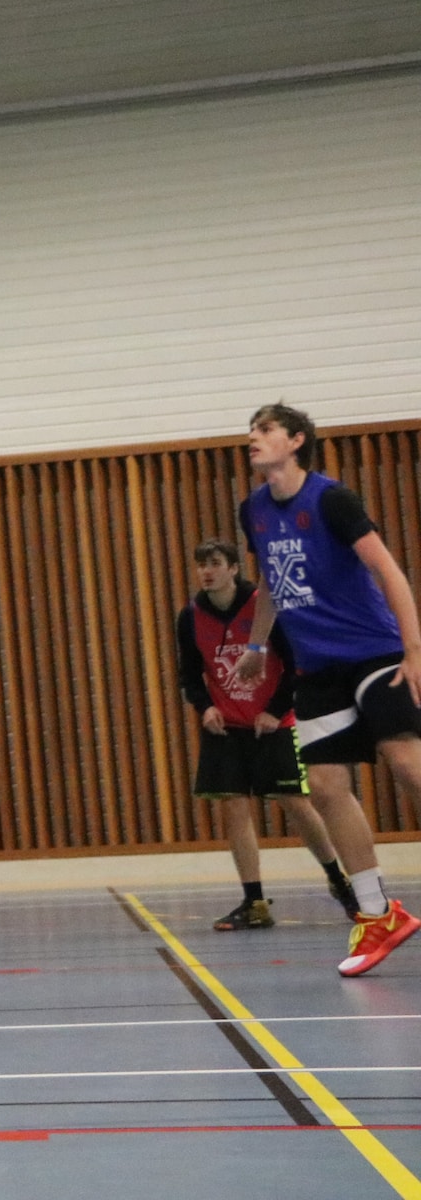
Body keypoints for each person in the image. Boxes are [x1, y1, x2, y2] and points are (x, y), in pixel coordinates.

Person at [236, 403, 421, 975]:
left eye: (264, 430)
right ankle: (376, 913)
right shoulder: (254, 511)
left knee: (406, 763)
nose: (252, 439)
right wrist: (259, 643)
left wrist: (414, 651)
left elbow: (388, 570)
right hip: (316, 669)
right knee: (323, 786)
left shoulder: (333, 499)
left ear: (295, 440)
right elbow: (271, 577)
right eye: (251, 430)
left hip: (374, 652)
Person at [175, 539, 355, 931]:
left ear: (234, 568)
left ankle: (340, 881)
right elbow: (190, 676)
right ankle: (254, 901)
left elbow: (295, 665)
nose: (206, 571)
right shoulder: (189, 616)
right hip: (227, 727)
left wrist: (274, 710)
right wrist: (205, 706)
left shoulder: (263, 607)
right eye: (200, 564)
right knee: (233, 807)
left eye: (215, 563)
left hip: (274, 723)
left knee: (296, 802)